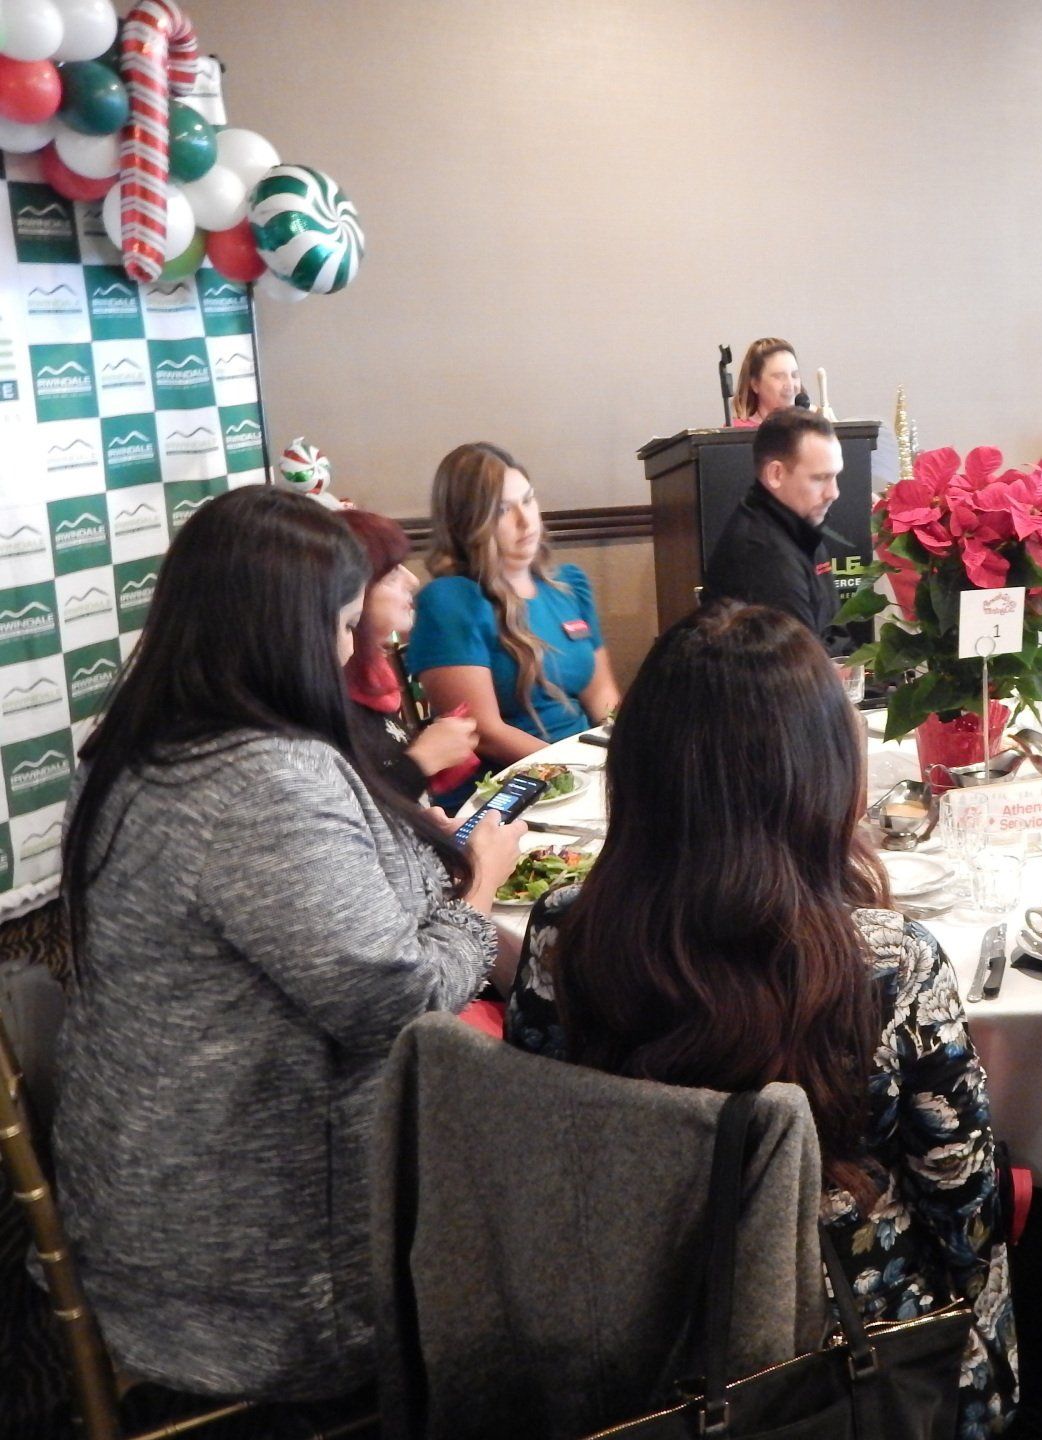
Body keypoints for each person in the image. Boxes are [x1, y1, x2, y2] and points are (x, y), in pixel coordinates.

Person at [53, 486, 524, 1404]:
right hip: (261, 1269)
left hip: (175, 1204)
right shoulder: (258, 779)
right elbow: (398, 998)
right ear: (279, 630)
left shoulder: (144, 745)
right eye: (344, 624)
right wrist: (479, 893)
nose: (356, 648)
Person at [504, 602, 1016, 1436]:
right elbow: (965, 1206)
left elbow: (548, 1133)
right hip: (836, 1346)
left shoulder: (566, 927)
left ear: (638, 773)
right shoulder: (888, 961)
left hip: (628, 1318)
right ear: (821, 774)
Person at [409, 442, 621, 765]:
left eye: (528, 500)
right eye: (504, 510)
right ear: (469, 522)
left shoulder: (570, 585)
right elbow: (484, 733)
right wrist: (577, 769)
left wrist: (626, 750)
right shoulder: (451, 600)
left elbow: (602, 697)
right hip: (511, 785)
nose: (526, 520)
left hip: (585, 763)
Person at [339, 508, 480, 801]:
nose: (413, 581)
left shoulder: (370, 670)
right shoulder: (330, 693)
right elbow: (350, 815)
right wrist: (422, 760)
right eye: (391, 574)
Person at [702, 406, 852, 654]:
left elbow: (836, 636)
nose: (834, 493)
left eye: (835, 477)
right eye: (820, 478)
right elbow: (798, 670)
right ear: (776, 474)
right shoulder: (763, 553)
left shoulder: (801, 529)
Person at [730, 335, 801, 426]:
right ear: (755, 384)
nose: (790, 384)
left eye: (794, 375)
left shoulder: (810, 429)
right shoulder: (736, 433)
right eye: (779, 376)